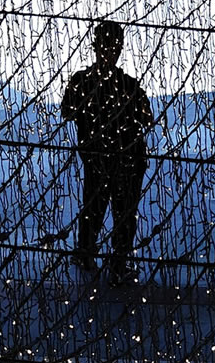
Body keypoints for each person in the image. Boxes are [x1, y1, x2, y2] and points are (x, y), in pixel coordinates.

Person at [62, 20, 153, 285]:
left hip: (101, 159)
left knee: (96, 206)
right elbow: (147, 118)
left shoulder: (84, 82)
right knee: (120, 211)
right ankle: (115, 262)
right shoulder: (127, 86)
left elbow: (68, 111)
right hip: (125, 160)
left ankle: (90, 255)